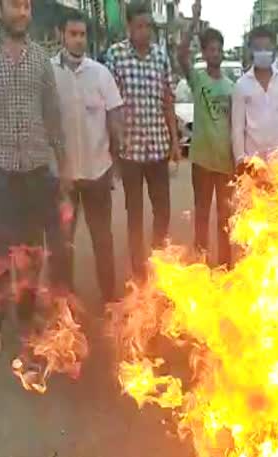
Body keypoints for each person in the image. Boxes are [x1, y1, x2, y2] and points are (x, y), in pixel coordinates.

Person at [0, 0, 67, 357]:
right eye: (16, 5)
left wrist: (63, 165)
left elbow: (52, 114)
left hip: (36, 171)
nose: (24, 12)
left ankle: (26, 315)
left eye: (27, 6)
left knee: (33, 251)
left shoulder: (40, 58)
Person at [48, 10, 123, 304]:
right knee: (62, 242)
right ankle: (64, 302)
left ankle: (110, 299)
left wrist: (115, 162)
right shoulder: (48, 73)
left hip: (97, 172)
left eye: (82, 35)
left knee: (102, 239)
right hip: (62, 177)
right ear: (60, 35)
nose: (78, 40)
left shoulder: (100, 74)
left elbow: (115, 116)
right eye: (72, 34)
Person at [106, 1, 180, 283]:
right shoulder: (115, 56)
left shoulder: (161, 57)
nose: (145, 31)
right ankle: (139, 270)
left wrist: (174, 142)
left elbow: (168, 101)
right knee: (134, 213)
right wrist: (112, 148)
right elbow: (109, 106)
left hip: (158, 147)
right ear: (129, 27)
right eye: (139, 26)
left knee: (163, 209)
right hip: (130, 151)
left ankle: (158, 261)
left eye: (148, 26)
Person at [178, 2, 235, 267]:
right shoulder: (197, 80)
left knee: (226, 216)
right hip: (201, 161)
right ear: (204, 53)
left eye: (219, 49)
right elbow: (181, 55)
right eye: (211, 49)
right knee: (202, 214)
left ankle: (225, 265)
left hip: (225, 163)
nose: (216, 54)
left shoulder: (232, 87)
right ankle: (200, 265)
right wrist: (193, 22)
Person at [232, 26, 278, 165]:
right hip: (253, 165)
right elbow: (237, 129)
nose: (263, 52)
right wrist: (240, 160)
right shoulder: (241, 85)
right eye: (258, 48)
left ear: (275, 51)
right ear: (250, 51)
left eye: (267, 48)